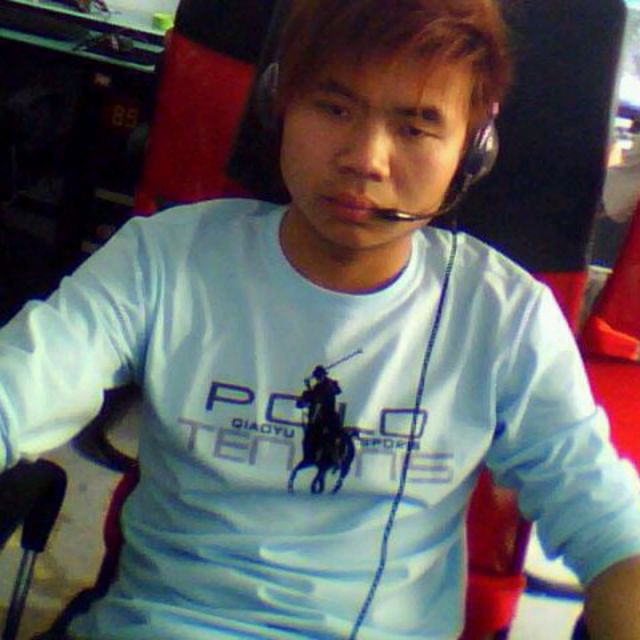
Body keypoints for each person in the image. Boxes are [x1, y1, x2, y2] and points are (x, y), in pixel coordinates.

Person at [1, 0, 640, 638]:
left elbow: (613, 527)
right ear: (278, 105)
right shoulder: (167, 257)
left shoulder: (503, 314)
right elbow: (20, 384)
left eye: (415, 127)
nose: (366, 159)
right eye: (334, 108)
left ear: (474, 148)